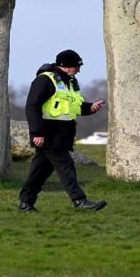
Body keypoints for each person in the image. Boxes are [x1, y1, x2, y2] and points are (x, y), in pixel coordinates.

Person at [18, 49, 106, 212]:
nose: (79, 70)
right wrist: (37, 133)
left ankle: (25, 203)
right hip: (49, 134)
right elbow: (32, 107)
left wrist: (90, 108)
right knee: (66, 167)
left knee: (40, 172)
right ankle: (79, 200)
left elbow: (73, 107)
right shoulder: (44, 80)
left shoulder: (71, 82)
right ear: (65, 66)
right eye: (77, 66)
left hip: (63, 135)